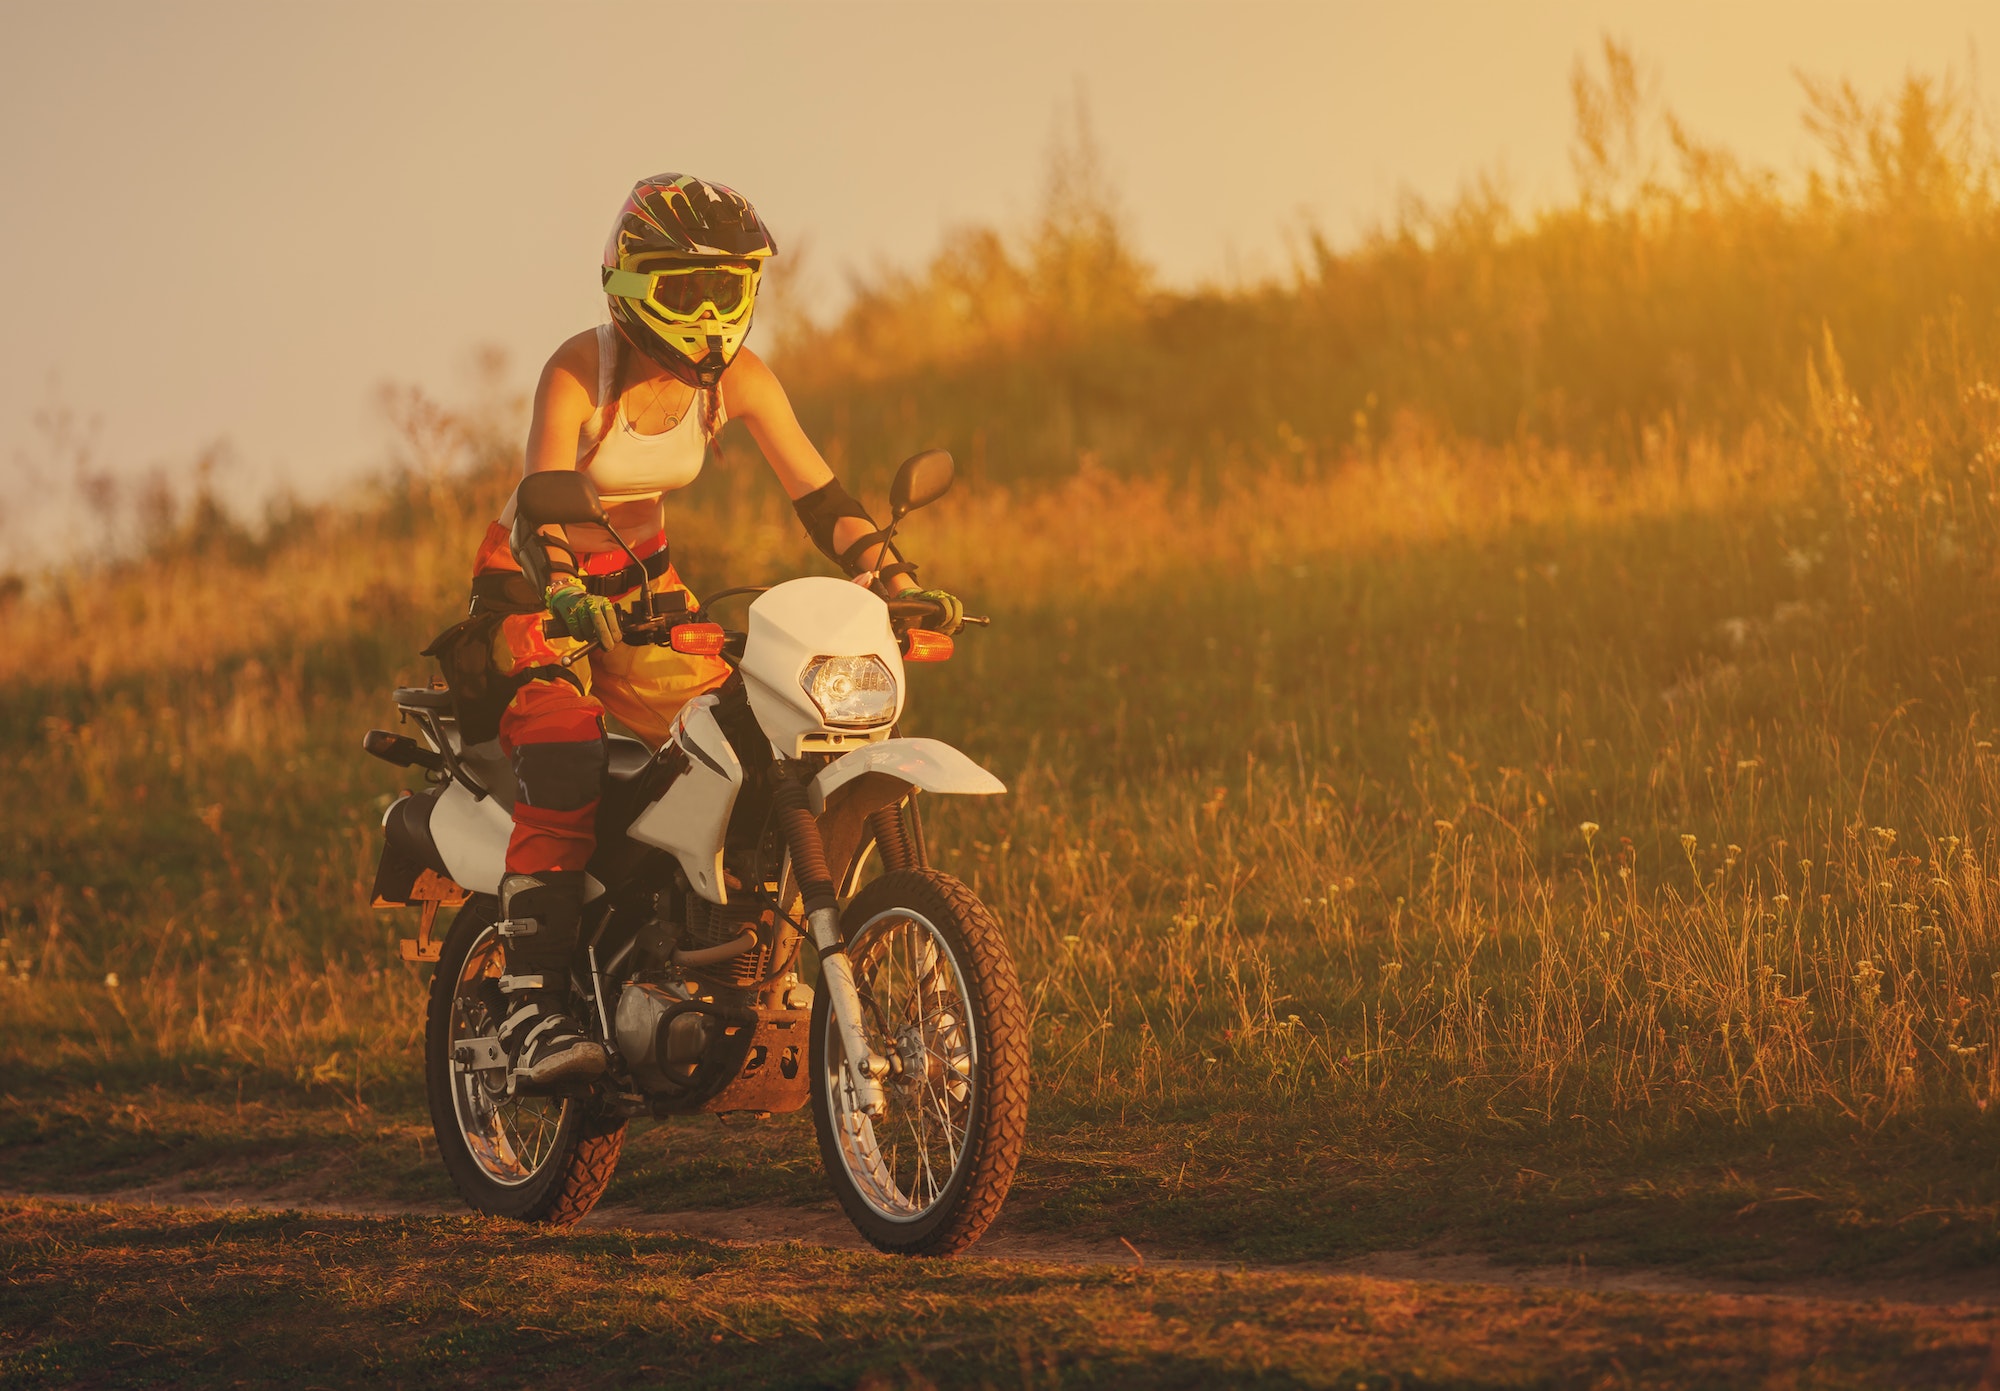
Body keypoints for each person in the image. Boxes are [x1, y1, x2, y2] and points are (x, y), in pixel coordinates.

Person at [430, 174, 964, 1090]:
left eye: (727, 289)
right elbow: (541, 496)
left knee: (749, 727)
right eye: (685, 290)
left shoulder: (738, 383)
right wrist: (562, 592)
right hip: (537, 591)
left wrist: (898, 581)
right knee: (563, 748)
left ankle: (710, 950)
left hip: (646, 592)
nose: (711, 314)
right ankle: (529, 1005)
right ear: (631, 285)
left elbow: (821, 497)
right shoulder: (576, 370)